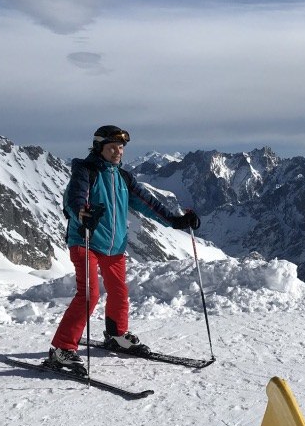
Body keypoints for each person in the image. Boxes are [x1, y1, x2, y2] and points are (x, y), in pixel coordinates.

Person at [46, 125, 200, 374]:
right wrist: (81, 214)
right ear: (99, 148)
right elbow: (75, 198)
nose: (118, 152)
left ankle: (116, 335)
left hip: (114, 246)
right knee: (89, 295)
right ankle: (62, 349)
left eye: (121, 147)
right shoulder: (86, 171)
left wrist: (176, 221)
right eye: (112, 147)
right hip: (85, 241)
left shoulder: (123, 178)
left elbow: (150, 204)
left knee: (119, 291)